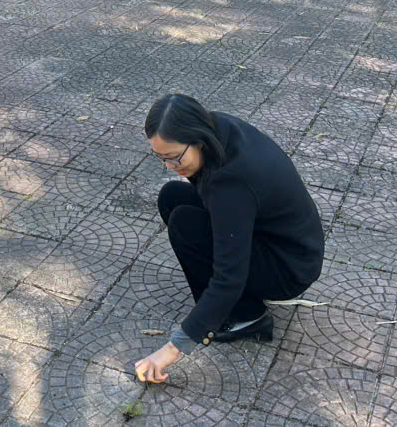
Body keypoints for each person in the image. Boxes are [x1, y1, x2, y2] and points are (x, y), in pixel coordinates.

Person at [133, 94, 324, 384]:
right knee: (171, 197)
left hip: (288, 268)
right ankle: (232, 305)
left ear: (197, 139)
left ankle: (246, 316)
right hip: (278, 238)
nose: (170, 165)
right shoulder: (217, 129)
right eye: (161, 158)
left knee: (185, 225)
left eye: (174, 157)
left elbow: (228, 277)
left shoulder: (230, 183)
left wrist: (172, 348)